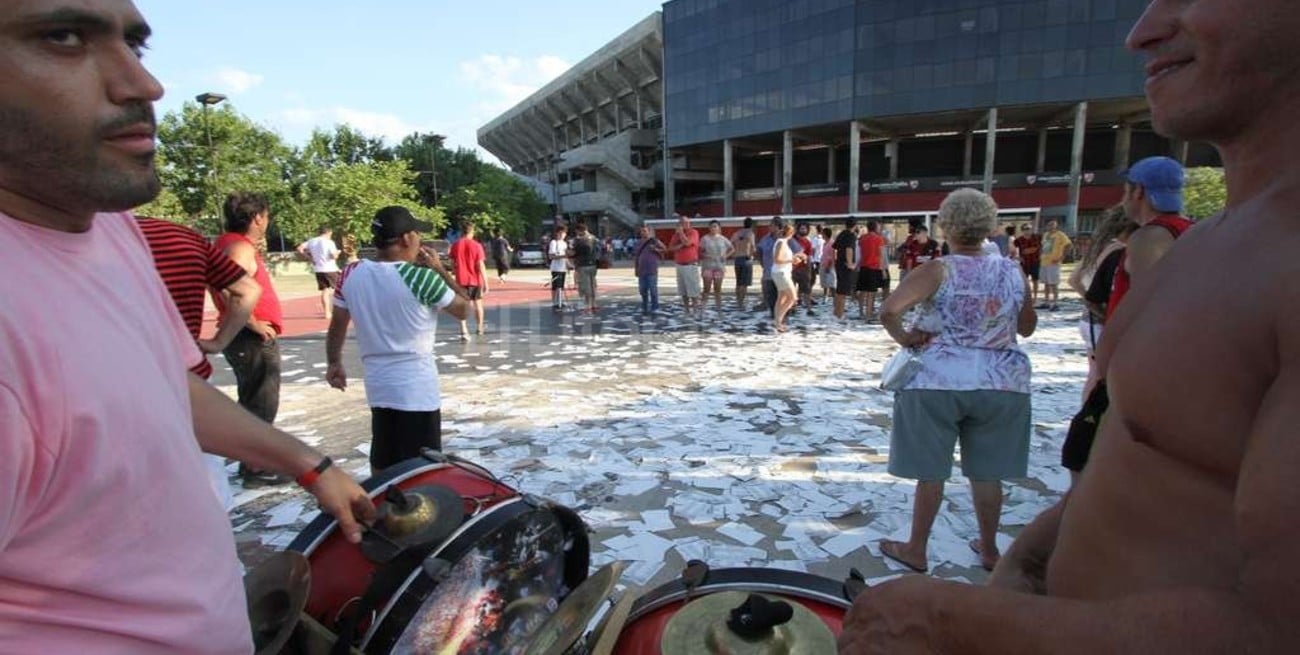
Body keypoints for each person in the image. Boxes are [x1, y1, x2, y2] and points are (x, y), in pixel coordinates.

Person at [840, 1, 1300, 651]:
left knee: (937, 470)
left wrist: (951, 618)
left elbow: (1279, 629)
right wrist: (1028, 559)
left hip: (949, 380)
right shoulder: (1202, 243)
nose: (1141, 33)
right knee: (985, 469)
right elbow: (1140, 462)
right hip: (1002, 393)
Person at [0, 3, 371, 651]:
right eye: (62, 37)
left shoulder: (108, 226)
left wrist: (307, 464)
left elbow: (164, 383)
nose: (144, 85)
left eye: (135, 46)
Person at [874, 189, 1036, 576]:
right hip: (1001, 380)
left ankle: (916, 547)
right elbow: (1026, 327)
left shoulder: (937, 269)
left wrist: (907, 338)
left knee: (932, 471)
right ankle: (990, 547)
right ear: (990, 226)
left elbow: (889, 310)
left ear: (945, 224)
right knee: (987, 472)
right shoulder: (1012, 270)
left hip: (938, 379)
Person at [327, 207, 469, 475]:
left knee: (382, 461)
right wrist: (440, 269)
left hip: (378, 385)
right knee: (422, 470)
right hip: (416, 388)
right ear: (406, 239)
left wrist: (334, 362)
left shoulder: (350, 273)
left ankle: (380, 510)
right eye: (417, 234)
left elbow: (337, 323)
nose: (419, 240)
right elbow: (464, 308)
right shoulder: (421, 278)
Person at [138, 216, 261, 509]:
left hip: (111, 390)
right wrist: (219, 341)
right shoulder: (178, 236)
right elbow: (247, 289)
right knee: (207, 490)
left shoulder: (51, 239)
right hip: (187, 380)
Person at [214, 191, 289, 486]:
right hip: (249, 338)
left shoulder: (230, 244)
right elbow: (229, 288)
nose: (267, 222)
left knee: (254, 399)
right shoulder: (239, 248)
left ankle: (253, 462)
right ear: (257, 217)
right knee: (261, 401)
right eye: (267, 217)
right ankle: (256, 468)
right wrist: (255, 323)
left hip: (244, 334)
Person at [1067, 208, 1137, 399]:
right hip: (1099, 320)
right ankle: (1090, 419)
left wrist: (1089, 301)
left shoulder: (1100, 247)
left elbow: (1073, 279)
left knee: (1095, 374)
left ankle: (1088, 417)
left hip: (1089, 319)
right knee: (1101, 377)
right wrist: (1100, 307)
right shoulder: (1118, 250)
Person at [448, 222, 489, 339]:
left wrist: (454, 271)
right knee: (478, 304)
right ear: (472, 231)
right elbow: (480, 264)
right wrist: (485, 282)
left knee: (462, 305)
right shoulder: (477, 245)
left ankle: (464, 330)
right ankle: (479, 327)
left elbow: (452, 262)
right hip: (475, 280)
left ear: (462, 231)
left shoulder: (456, 245)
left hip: (461, 279)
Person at [756, 216, 802, 319]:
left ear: (777, 227)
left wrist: (794, 261)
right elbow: (758, 250)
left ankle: (782, 318)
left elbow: (799, 251)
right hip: (769, 273)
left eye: (771, 225)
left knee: (786, 297)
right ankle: (776, 319)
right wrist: (762, 263)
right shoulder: (765, 238)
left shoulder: (786, 239)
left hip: (783, 273)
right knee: (771, 298)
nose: (769, 227)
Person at [296, 225, 341, 320]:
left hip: (319, 269)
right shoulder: (329, 242)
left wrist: (309, 257)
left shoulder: (312, 241)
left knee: (325, 290)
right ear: (328, 233)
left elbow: (299, 248)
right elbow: (333, 256)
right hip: (330, 268)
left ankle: (327, 313)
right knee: (341, 288)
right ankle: (342, 310)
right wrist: (337, 253)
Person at [666, 213, 702, 312]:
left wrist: (681, 234)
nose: (684, 225)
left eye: (686, 223)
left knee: (693, 290)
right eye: (681, 223)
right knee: (683, 290)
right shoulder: (675, 235)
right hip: (679, 265)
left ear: (689, 223)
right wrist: (681, 244)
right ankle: (686, 310)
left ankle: (695, 310)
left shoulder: (693, 232)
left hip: (690, 265)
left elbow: (687, 243)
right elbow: (671, 248)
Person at [771, 223, 800, 332]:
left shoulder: (782, 242)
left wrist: (793, 258)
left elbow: (781, 258)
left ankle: (778, 322)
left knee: (781, 297)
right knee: (793, 298)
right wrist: (791, 260)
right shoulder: (782, 243)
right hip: (781, 273)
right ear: (791, 233)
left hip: (781, 272)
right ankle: (778, 320)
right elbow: (777, 260)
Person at [700, 219, 734, 311]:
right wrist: (705, 255)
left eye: (715, 226)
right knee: (706, 288)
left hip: (719, 266)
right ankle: (703, 308)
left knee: (717, 289)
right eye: (712, 226)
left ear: (719, 228)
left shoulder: (723, 239)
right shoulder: (705, 239)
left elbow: (732, 248)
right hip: (708, 266)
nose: (713, 228)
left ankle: (719, 308)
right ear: (709, 228)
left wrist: (725, 256)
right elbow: (700, 251)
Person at [1038, 220, 1072, 310]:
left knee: (1054, 283)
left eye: (1053, 225)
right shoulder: (1045, 235)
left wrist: (1061, 257)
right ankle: (1046, 302)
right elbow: (1043, 246)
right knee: (1046, 283)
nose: (1051, 227)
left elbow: (1068, 245)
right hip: (1044, 262)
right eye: (1049, 225)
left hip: (1054, 262)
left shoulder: (1060, 234)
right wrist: (1040, 254)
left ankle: (1055, 303)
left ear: (1056, 226)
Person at [857, 221, 887, 322]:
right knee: (871, 293)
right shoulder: (879, 239)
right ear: (875, 228)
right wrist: (883, 270)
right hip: (873, 267)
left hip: (863, 267)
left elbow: (859, 253)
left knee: (862, 291)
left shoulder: (862, 238)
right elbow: (882, 255)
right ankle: (868, 315)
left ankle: (861, 312)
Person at [633, 225, 666, 314]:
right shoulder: (638, 243)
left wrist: (655, 249)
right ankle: (644, 306)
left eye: (644, 231)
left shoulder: (654, 241)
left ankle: (655, 307)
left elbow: (664, 249)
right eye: (641, 231)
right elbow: (636, 256)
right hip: (641, 269)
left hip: (651, 269)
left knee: (653, 289)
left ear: (649, 232)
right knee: (642, 290)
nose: (643, 233)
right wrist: (636, 268)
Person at [831, 219, 859, 320]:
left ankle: (836, 312)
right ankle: (840, 314)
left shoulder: (841, 234)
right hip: (846, 265)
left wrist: (834, 261)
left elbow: (833, 248)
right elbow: (849, 249)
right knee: (843, 291)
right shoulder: (851, 236)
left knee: (839, 290)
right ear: (855, 225)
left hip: (839, 263)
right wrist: (850, 263)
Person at [570, 222, 601, 313]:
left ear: (579, 230)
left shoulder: (578, 240)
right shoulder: (594, 238)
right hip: (593, 264)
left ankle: (588, 305)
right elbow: (599, 250)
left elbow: (573, 252)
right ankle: (594, 304)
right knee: (593, 285)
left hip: (582, 264)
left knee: (585, 285)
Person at [729, 217, 757, 309]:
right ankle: (741, 303)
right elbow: (753, 247)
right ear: (752, 225)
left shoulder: (737, 233)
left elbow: (730, 243)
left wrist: (734, 252)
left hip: (737, 258)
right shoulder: (750, 234)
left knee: (738, 282)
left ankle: (738, 302)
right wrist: (752, 255)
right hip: (746, 259)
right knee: (744, 283)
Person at [1012, 223, 1042, 304]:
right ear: (1022, 230)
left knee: (1035, 280)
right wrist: (1017, 257)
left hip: (1035, 262)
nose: (1027, 231)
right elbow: (1012, 249)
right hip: (1025, 263)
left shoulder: (1037, 237)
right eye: (1025, 229)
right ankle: (1026, 298)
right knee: (1024, 282)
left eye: (1029, 229)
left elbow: (1044, 246)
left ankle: (1035, 297)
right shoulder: (1018, 240)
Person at [792, 222, 816, 315]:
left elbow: (809, 257)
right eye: (801, 228)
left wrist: (809, 270)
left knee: (807, 290)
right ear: (798, 229)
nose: (803, 230)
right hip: (792, 269)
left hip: (804, 269)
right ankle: (792, 308)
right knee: (792, 290)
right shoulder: (792, 240)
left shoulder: (808, 242)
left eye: (805, 229)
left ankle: (809, 309)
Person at [546, 224, 569, 310]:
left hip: (563, 268)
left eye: (564, 233)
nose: (563, 235)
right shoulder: (553, 242)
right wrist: (562, 256)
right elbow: (551, 256)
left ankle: (561, 300)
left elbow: (566, 256)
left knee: (562, 285)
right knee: (556, 285)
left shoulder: (564, 243)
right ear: (558, 233)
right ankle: (555, 301)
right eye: (562, 233)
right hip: (556, 267)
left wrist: (569, 264)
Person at [818, 226, 837, 301]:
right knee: (825, 283)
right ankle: (825, 297)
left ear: (825, 234)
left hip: (830, 266)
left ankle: (835, 299)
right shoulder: (824, 243)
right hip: (823, 264)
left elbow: (833, 256)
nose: (821, 235)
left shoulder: (832, 243)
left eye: (822, 233)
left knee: (832, 284)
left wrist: (829, 266)